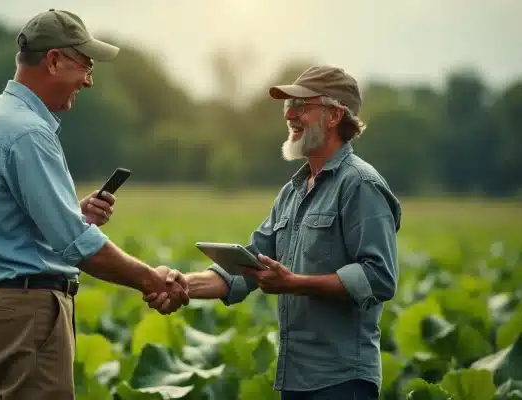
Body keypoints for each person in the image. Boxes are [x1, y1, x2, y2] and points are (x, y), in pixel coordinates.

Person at [0, 9, 188, 400]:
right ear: (53, 60)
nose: (88, 79)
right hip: (27, 317)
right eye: (85, 65)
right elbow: (77, 244)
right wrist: (152, 280)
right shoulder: (29, 132)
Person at [145, 66, 402, 400]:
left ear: (335, 115)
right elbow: (247, 267)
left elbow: (379, 277)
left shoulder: (360, 185)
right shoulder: (292, 192)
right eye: (287, 107)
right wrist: (181, 285)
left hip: (342, 381)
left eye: (302, 106)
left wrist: (295, 284)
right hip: (294, 377)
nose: (290, 115)